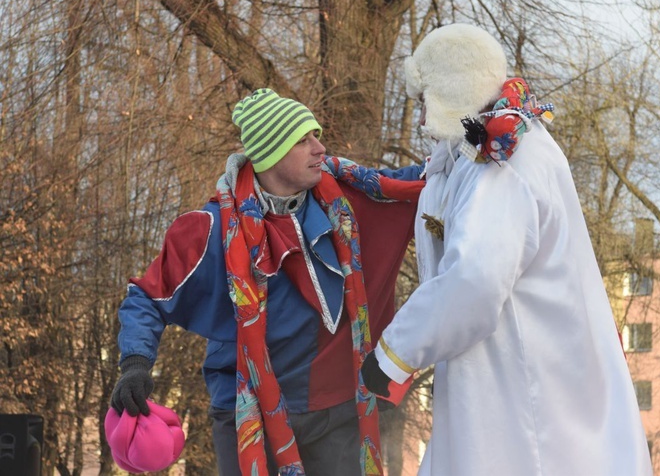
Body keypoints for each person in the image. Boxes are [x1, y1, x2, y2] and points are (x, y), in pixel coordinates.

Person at [361, 23, 653, 475]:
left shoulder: (500, 165)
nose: (421, 120)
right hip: (518, 372)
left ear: (453, 92)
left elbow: (473, 281)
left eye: (426, 102)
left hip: (521, 385)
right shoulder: (490, 148)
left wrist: (394, 354)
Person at [110, 88, 425, 476]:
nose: (320, 147)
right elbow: (146, 297)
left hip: (337, 410)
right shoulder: (212, 230)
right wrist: (136, 364)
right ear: (271, 154)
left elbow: (420, 182)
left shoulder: (349, 198)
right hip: (247, 414)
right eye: (303, 139)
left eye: (316, 135)